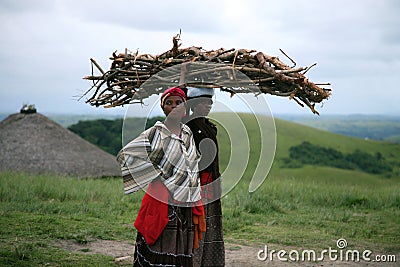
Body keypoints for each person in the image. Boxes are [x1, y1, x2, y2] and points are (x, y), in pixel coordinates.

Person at [117, 87, 206, 267]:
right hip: (163, 199)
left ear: (185, 107)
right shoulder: (155, 133)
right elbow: (126, 155)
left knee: (182, 244)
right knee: (160, 243)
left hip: (185, 200)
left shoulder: (187, 133)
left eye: (178, 103)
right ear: (163, 107)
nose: (174, 107)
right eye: (169, 103)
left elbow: (192, 163)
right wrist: (156, 175)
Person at [184, 87, 225, 267]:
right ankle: (194, 261)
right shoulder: (187, 126)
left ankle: (209, 262)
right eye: (203, 102)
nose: (207, 106)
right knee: (197, 223)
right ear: (193, 104)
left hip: (211, 183)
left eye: (209, 102)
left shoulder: (209, 126)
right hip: (196, 184)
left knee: (209, 222)